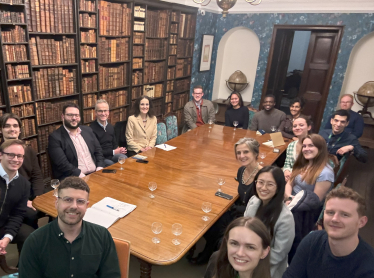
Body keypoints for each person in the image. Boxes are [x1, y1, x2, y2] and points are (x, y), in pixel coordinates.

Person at [19, 176, 121, 277]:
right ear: (57, 203)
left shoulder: (102, 236)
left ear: (87, 206)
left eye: (80, 201)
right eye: (68, 200)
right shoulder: (34, 242)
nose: (74, 206)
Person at [191, 138, 262, 265]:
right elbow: (243, 195)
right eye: (238, 153)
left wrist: (235, 208)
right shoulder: (241, 171)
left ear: (255, 153)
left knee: (222, 232)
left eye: (246, 152)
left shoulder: (262, 175)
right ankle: (208, 251)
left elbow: (261, 207)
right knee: (209, 221)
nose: (241, 156)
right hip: (238, 210)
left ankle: (215, 258)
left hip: (251, 218)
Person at [283, 187, 374, 277]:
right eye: (330, 212)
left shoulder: (369, 266)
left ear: (361, 222)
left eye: (345, 215)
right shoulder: (311, 242)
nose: (335, 219)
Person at [285, 134, 334, 263]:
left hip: (304, 211)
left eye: (311, 145)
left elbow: (315, 200)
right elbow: (289, 182)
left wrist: (292, 204)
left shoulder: (325, 173)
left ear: (320, 148)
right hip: (291, 201)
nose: (306, 149)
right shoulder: (303, 163)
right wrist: (288, 197)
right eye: (304, 146)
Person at [243, 166, 295, 278]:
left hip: (267, 265)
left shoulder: (285, 218)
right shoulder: (254, 200)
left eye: (270, 184)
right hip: (245, 254)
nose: (263, 188)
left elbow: (278, 254)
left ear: (279, 187)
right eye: (260, 182)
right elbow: (243, 230)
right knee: (217, 258)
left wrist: (250, 258)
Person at [48, 102, 105, 180]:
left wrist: (99, 168)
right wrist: (82, 176)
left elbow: (98, 151)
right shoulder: (55, 137)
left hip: (95, 173)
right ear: (63, 117)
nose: (74, 118)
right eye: (70, 115)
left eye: (76, 115)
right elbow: (62, 164)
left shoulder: (87, 130)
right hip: (73, 178)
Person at [0, 139, 33, 255]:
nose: (15, 159)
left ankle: (23, 268)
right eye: (11, 155)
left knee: (30, 236)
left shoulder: (24, 184)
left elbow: (17, 214)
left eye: (19, 156)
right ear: (1, 155)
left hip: (4, 224)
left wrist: (7, 238)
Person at [90, 99, 127, 166]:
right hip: (101, 158)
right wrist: (114, 152)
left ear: (108, 112)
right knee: (112, 165)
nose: (103, 113)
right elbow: (96, 151)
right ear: (95, 113)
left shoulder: (110, 126)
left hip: (112, 155)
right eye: (100, 111)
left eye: (105, 111)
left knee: (124, 159)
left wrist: (119, 149)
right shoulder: (91, 129)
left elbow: (114, 144)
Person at [283, 115, 312, 181]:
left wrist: (294, 175)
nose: (297, 128)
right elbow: (287, 164)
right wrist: (286, 171)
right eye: (295, 126)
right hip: (290, 179)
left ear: (309, 127)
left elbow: (314, 168)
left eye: (301, 125)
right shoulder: (291, 145)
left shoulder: (314, 145)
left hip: (306, 180)